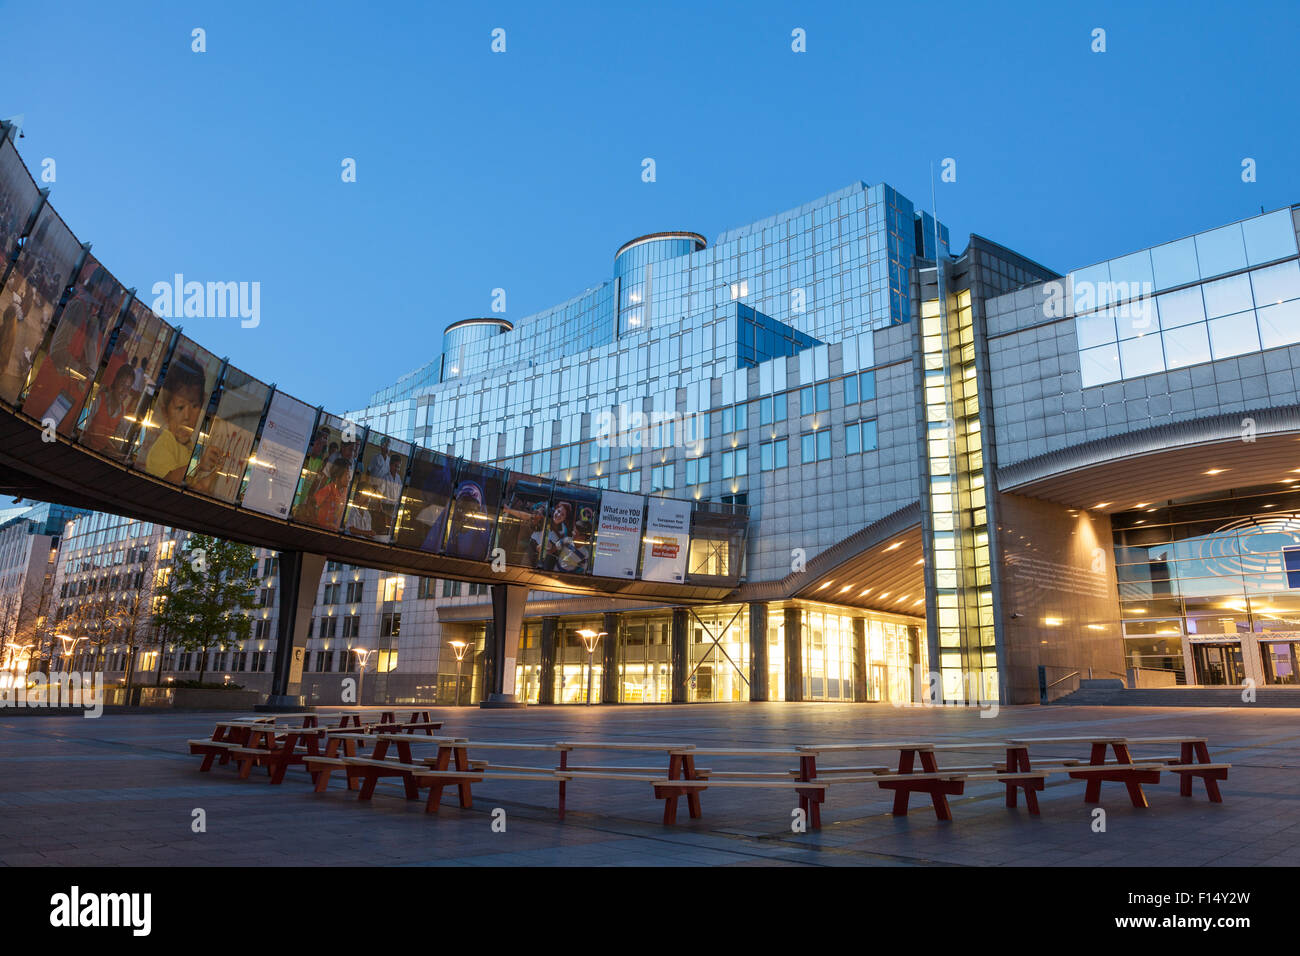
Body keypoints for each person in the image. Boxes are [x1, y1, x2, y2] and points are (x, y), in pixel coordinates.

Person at [143, 357, 206, 483]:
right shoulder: (160, 450)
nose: (187, 416)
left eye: (194, 406)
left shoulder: (190, 447)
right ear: (165, 412)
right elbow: (169, 483)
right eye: (180, 407)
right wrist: (201, 466)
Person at [81, 364, 135, 454]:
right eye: (122, 384)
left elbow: (114, 441)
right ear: (115, 381)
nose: (124, 391)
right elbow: (83, 431)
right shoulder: (99, 399)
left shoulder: (122, 412)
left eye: (128, 388)